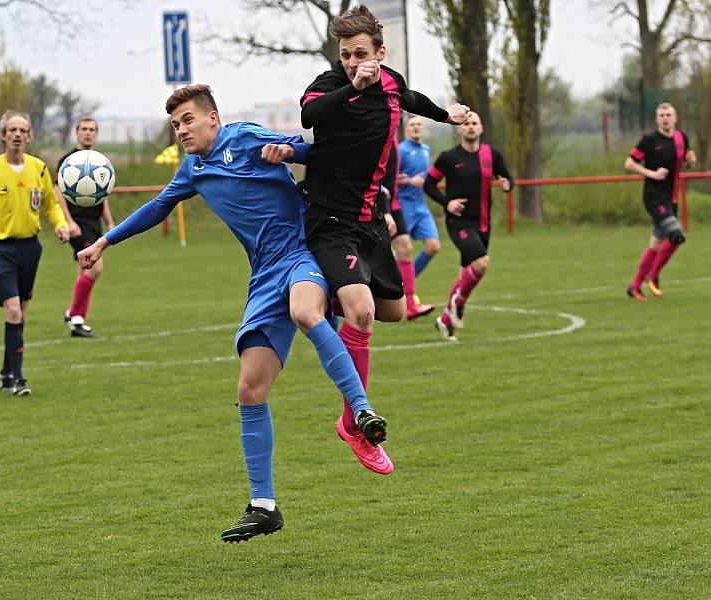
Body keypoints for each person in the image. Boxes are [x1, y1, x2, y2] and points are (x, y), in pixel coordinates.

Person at [77, 85, 392, 544]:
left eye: (187, 120)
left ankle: (361, 413)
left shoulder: (243, 136)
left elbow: (313, 150)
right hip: (264, 275)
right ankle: (263, 504)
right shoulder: (193, 170)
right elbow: (156, 208)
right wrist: (104, 241)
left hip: (303, 251)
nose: (181, 130)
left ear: (212, 118)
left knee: (306, 311)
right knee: (250, 389)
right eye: (175, 125)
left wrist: (290, 149)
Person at [299, 4, 470, 449]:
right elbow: (309, 116)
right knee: (362, 312)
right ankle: (355, 421)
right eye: (346, 54)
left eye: (360, 54)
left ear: (381, 52)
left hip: (372, 221)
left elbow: (409, 98)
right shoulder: (331, 84)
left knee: (391, 310)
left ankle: (322, 298)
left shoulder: (391, 80)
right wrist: (352, 86)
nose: (353, 62)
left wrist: (445, 115)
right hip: (330, 217)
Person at [0, 110, 69, 395]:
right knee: (12, 310)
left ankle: (5, 372)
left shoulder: (38, 168)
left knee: (18, 314)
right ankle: (19, 379)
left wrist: (60, 225)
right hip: (2, 249)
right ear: (3, 135)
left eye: (23, 130)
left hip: (30, 249)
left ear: (29, 136)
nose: (18, 135)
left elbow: (50, 204)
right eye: (12, 130)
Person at [423, 112, 513, 341]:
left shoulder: (491, 154)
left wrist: (506, 184)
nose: (470, 127)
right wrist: (447, 203)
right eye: (466, 123)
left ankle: (444, 321)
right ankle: (458, 304)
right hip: (458, 222)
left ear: (481, 128)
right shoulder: (449, 157)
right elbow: (429, 184)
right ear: (460, 129)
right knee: (481, 262)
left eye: (475, 123)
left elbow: (508, 177)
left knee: (468, 274)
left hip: (483, 223)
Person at [624, 102, 696, 301]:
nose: (665, 118)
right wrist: (652, 174)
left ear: (675, 118)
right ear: (657, 119)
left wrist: (691, 161)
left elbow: (686, 164)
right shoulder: (649, 140)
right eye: (661, 115)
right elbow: (629, 163)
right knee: (676, 235)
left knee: (656, 244)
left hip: (671, 198)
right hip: (654, 197)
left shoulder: (682, 138)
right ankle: (653, 276)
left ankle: (635, 286)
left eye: (668, 114)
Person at [55, 117, 115, 337]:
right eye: (84, 129)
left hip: (94, 223)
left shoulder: (98, 161)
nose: (88, 133)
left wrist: (109, 222)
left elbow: (103, 195)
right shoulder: (68, 160)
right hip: (77, 224)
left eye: (92, 130)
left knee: (84, 270)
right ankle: (76, 316)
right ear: (76, 132)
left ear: (96, 134)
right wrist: (68, 222)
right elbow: (57, 193)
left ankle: (77, 317)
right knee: (95, 267)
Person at [383, 138, 435, 320]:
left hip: (393, 204)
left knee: (405, 248)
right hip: (373, 202)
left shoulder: (393, 139)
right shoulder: (375, 132)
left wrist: (398, 181)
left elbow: (389, 172)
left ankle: (411, 303)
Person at [398, 116, 441, 283]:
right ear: (407, 130)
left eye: (419, 124)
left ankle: (406, 282)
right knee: (401, 251)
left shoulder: (425, 149)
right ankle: (390, 288)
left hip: (421, 206)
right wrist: (409, 181)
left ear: (423, 129)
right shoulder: (401, 150)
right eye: (412, 125)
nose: (416, 127)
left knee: (433, 246)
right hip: (404, 205)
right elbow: (391, 177)